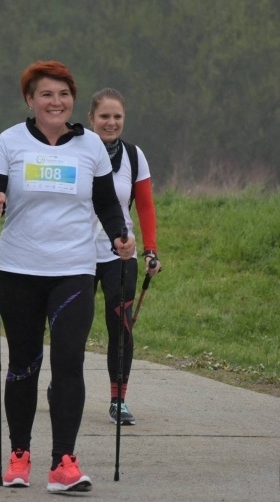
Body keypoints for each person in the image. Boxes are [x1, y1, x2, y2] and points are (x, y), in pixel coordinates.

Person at [0, 61, 135, 493]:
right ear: (30, 100)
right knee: (23, 365)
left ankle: (63, 462)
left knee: (69, 364)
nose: (56, 102)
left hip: (73, 272)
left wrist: (121, 236)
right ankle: (19, 456)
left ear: (73, 102)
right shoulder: (9, 142)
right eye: (46, 94)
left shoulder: (90, 148)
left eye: (63, 95)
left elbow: (107, 204)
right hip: (19, 271)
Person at [88, 87, 162, 426]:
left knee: (121, 329)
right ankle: (64, 386)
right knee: (71, 328)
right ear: (91, 119)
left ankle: (119, 401)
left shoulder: (134, 156)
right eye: (104, 116)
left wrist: (150, 250)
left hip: (121, 255)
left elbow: (145, 205)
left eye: (117, 117)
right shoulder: (77, 151)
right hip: (76, 255)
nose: (111, 122)